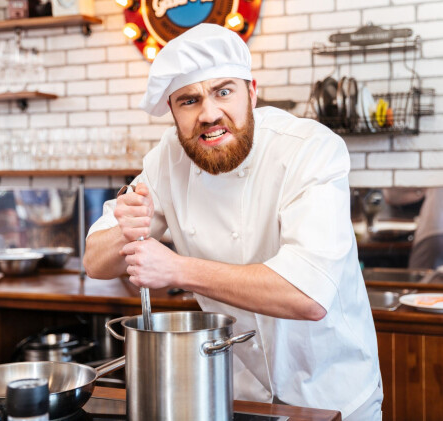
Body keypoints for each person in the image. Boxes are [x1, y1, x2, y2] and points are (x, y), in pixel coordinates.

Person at [84, 23, 382, 420]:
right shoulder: (167, 159)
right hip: (236, 396)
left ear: (252, 93)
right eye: (189, 100)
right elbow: (95, 263)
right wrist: (126, 226)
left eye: (223, 91)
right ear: (172, 111)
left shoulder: (309, 149)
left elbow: (307, 296)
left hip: (331, 395)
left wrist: (176, 269)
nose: (209, 113)